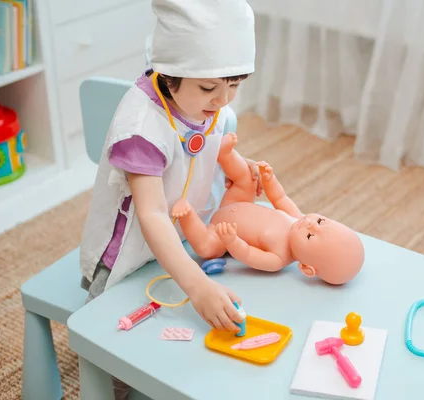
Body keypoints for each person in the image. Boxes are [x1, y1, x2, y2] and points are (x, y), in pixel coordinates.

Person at [78, 0, 259, 398]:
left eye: (235, 85)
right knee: (116, 351)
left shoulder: (204, 101)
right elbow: (153, 214)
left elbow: (206, 147)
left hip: (178, 237)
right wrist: (196, 288)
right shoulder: (143, 126)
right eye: (210, 88)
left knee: (181, 353)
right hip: (127, 255)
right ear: (170, 74)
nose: (223, 100)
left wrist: (240, 164)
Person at [172, 133, 365, 285]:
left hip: (221, 233)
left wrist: (231, 240)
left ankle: (187, 214)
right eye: (320, 221)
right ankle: (225, 154)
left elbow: (247, 254)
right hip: (238, 202)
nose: (309, 223)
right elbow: (279, 197)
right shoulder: (295, 218)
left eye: (309, 236)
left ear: (306, 268)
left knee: (206, 248)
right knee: (247, 178)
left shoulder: (277, 259)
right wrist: (269, 179)